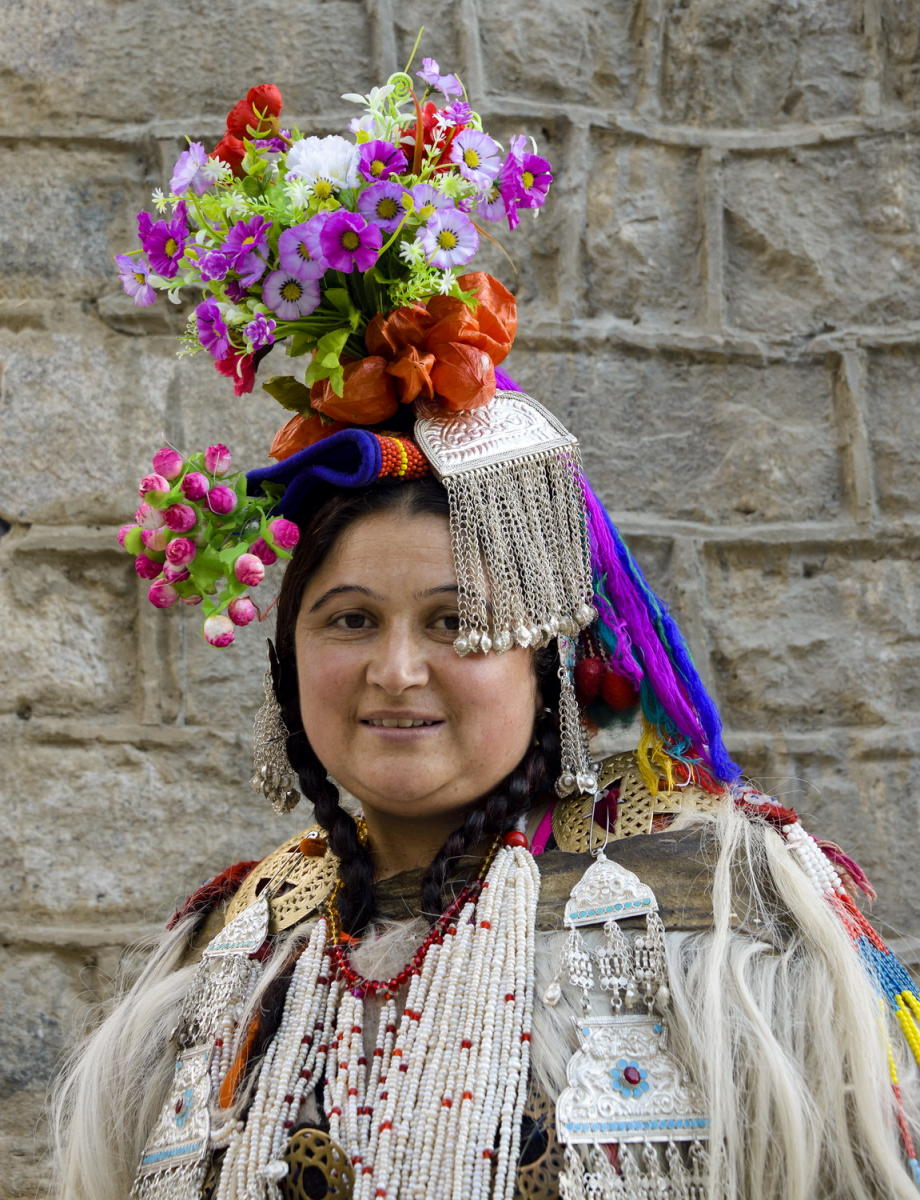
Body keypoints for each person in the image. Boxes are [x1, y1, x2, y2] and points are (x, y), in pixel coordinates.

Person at [52, 63, 920, 1200]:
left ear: (545, 650)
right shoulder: (225, 952)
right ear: (287, 660)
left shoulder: (729, 921)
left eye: (456, 622)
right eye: (349, 619)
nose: (395, 670)